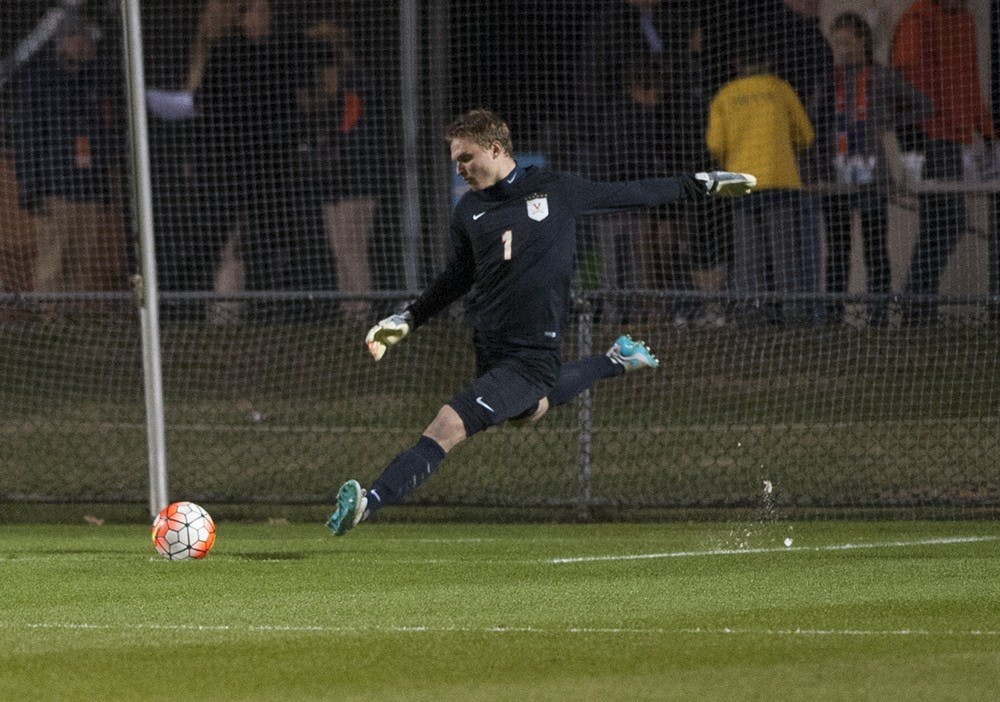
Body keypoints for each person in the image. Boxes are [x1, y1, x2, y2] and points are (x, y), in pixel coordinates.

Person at [326, 108, 755, 535]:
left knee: (449, 423)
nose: (460, 169)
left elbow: (634, 192)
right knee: (528, 411)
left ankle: (367, 502)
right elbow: (455, 278)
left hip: (533, 353)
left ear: (496, 149)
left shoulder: (556, 189)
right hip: (489, 347)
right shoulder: (468, 212)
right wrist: (409, 319)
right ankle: (614, 361)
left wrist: (704, 182)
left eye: (466, 158)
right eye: (456, 161)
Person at [816, 12, 933, 326]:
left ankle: (878, 318)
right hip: (836, 178)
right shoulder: (829, 80)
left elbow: (924, 106)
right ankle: (833, 319)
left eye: (846, 42)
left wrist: (887, 122)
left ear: (863, 41)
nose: (840, 49)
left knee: (875, 251)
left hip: (872, 178)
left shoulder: (880, 76)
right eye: (836, 43)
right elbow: (813, 117)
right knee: (838, 252)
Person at [891, 0, 996, 324]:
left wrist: (985, 129)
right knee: (948, 220)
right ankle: (916, 304)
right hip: (931, 136)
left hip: (956, 137)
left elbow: (968, 81)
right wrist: (916, 137)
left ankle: (919, 307)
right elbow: (909, 81)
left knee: (940, 223)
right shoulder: (918, 17)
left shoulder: (964, 21)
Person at [9, 14, 125, 295]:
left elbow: (105, 135)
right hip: (54, 190)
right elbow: (27, 138)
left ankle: (74, 317)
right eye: (79, 37)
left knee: (79, 264)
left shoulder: (95, 81)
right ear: (64, 41)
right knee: (53, 262)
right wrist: (30, 188)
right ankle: (50, 316)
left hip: (87, 190)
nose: (86, 43)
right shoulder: (41, 82)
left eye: (87, 37)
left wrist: (103, 188)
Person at [706, 44, 814, 325]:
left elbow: (715, 144)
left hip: (739, 182)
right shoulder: (779, 89)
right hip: (779, 178)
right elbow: (806, 135)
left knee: (748, 252)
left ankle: (752, 314)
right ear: (769, 61)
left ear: (737, 62)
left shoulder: (726, 95)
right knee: (784, 251)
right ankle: (794, 314)